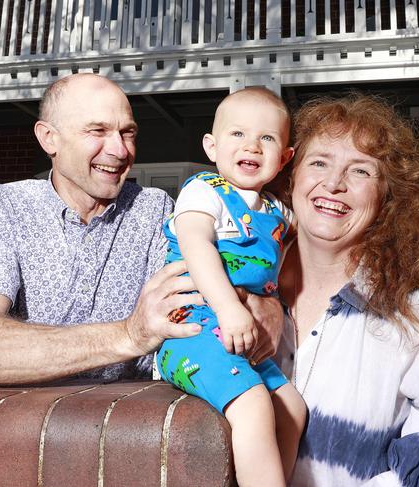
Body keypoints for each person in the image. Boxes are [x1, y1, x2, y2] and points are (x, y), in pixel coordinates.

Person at [0, 73, 285, 389]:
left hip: (130, 432)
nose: (119, 150)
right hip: (14, 435)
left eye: (127, 132)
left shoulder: (157, 209)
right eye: (97, 131)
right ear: (48, 138)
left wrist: (266, 303)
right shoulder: (1, 208)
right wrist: (129, 335)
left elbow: (227, 270)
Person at [275, 94, 419, 486]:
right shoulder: (233, 280)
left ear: (388, 198)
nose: (333, 183)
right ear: (291, 176)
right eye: (318, 162)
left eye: (360, 171)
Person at [157, 87, 306, 486]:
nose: (252, 146)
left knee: (293, 407)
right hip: (193, 331)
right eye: (237, 134)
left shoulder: (277, 211)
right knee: (254, 403)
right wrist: (229, 307)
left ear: (284, 158)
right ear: (212, 145)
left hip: (239, 336)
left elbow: (300, 245)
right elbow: (195, 245)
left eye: (267, 138)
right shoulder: (204, 191)